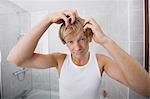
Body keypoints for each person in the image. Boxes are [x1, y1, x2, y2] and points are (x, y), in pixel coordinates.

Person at [7, 9, 150, 99]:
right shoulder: (59, 60)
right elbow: (15, 59)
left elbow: (146, 89)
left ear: (88, 37)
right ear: (65, 43)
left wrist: (106, 41)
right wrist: (48, 19)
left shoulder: (101, 62)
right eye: (70, 42)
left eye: (81, 39)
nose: (77, 47)